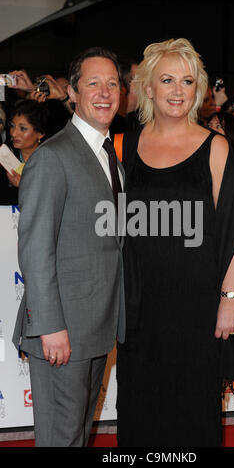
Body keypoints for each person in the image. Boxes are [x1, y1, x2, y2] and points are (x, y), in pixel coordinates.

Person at [116, 38, 234, 447]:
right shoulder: (127, 145)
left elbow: (232, 232)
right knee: (139, 404)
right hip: (140, 305)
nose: (178, 90)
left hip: (195, 304)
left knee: (193, 407)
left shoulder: (216, 147)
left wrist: (230, 299)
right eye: (167, 80)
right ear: (148, 88)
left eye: (188, 81)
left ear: (198, 90)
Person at [12, 46, 126, 447]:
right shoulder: (52, 157)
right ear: (73, 92)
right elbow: (35, 250)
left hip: (96, 327)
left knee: (78, 436)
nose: (104, 92)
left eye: (112, 83)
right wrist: (49, 325)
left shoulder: (112, 157)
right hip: (61, 331)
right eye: (93, 83)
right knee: (62, 439)